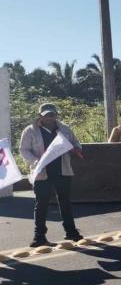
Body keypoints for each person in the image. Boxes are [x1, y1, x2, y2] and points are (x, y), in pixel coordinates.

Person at [19, 103, 84, 247]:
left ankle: (71, 232)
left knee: (65, 202)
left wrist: (76, 149)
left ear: (56, 115)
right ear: (40, 116)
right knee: (41, 204)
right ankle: (39, 237)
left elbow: (76, 144)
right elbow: (23, 150)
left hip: (62, 171)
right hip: (41, 172)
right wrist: (35, 161)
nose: (50, 118)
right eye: (46, 115)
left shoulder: (65, 129)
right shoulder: (30, 131)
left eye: (52, 115)